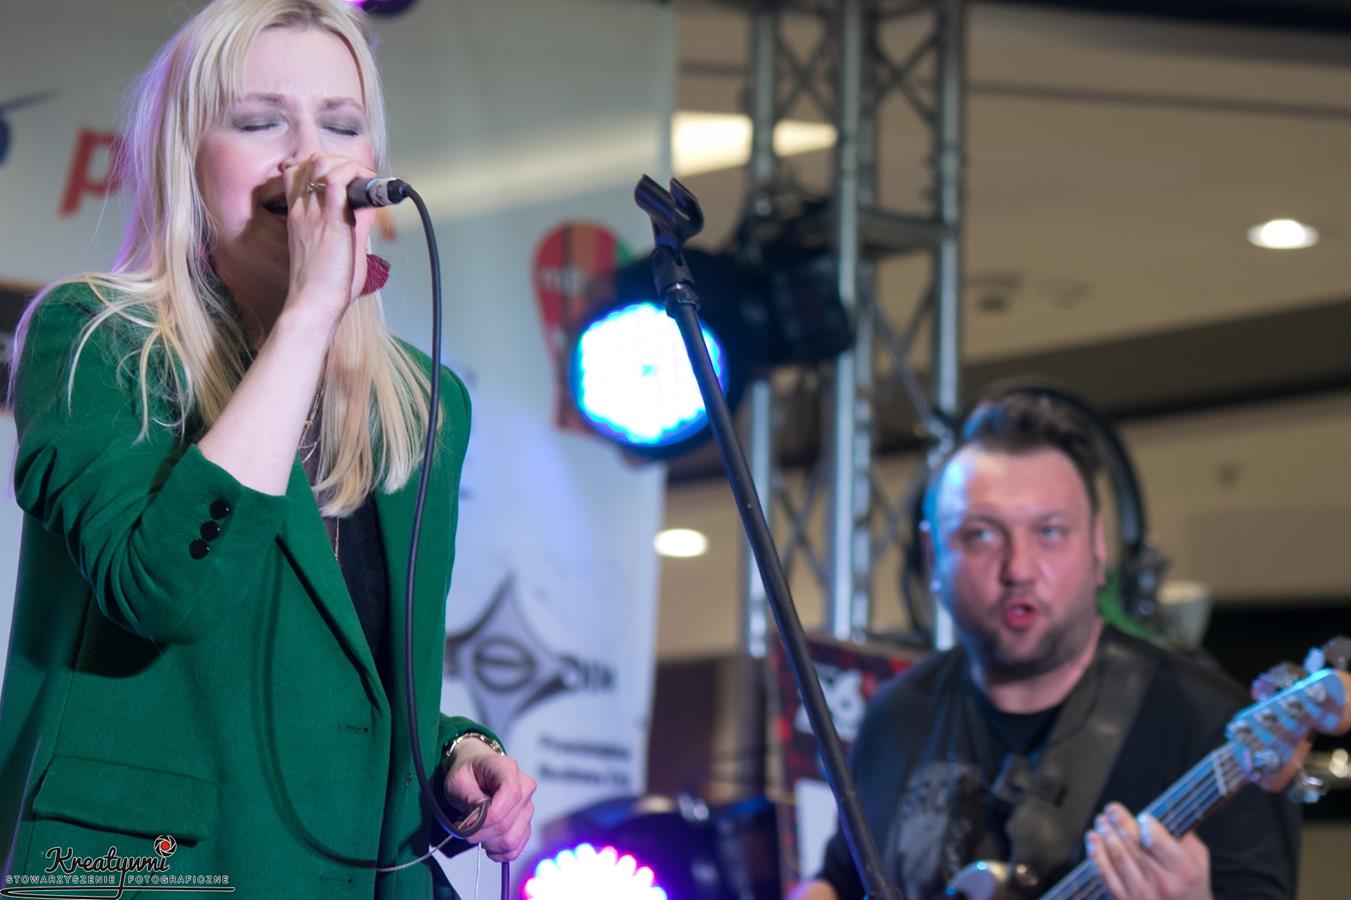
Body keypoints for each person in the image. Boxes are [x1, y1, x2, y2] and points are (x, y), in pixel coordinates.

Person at [0, 1, 535, 896]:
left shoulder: (419, 402)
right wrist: (310, 312)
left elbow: (348, 678)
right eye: (259, 123)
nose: (311, 158)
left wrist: (454, 752)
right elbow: (163, 593)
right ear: (185, 156)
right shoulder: (95, 340)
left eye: (342, 124)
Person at [791, 394, 1300, 900]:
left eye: (1050, 532)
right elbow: (841, 878)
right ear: (932, 556)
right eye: (982, 535)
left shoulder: (1209, 723)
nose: (1019, 568)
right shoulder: (896, 714)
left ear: (1097, 547)